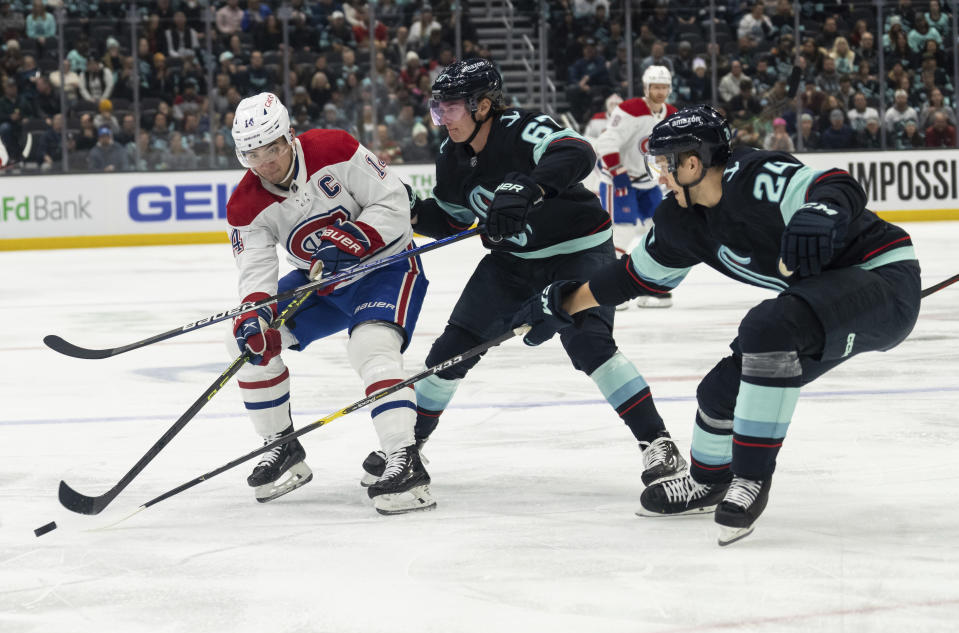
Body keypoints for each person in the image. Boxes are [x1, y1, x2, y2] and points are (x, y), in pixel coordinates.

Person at [515, 105, 921, 545]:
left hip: (883, 281)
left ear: (692, 163)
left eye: (663, 165)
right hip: (821, 301)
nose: (659, 177)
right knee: (718, 391)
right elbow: (631, 277)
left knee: (767, 328)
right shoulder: (681, 221)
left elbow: (837, 184)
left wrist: (819, 210)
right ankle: (709, 482)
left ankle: (750, 479)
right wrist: (565, 304)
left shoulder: (755, 177)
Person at [358, 58, 688, 492]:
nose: (443, 119)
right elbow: (455, 218)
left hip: (579, 250)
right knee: (452, 349)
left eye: (452, 108)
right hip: (512, 263)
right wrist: (411, 209)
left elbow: (576, 152)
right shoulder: (450, 157)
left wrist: (528, 187)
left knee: (590, 342)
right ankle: (409, 448)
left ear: (483, 106)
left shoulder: (521, 128)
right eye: (439, 109)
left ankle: (658, 442)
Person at [226, 92, 433, 515]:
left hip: (387, 266)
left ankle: (404, 460)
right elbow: (255, 268)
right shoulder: (244, 205)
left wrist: (357, 238)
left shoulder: (334, 149)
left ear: (289, 137)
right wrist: (255, 314)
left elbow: (394, 201)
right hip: (321, 284)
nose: (266, 163)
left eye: (272, 148)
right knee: (245, 343)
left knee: (371, 347)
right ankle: (281, 446)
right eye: (253, 155)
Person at [594, 65, 676, 308]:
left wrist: (667, 177)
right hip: (618, 177)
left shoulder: (671, 113)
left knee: (660, 228)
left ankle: (655, 286)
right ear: (646, 87)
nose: (660, 92)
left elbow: (670, 150)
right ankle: (611, 289)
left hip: (648, 179)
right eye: (656, 87)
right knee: (622, 231)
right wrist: (618, 174)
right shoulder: (629, 110)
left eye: (664, 87)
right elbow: (607, 142)